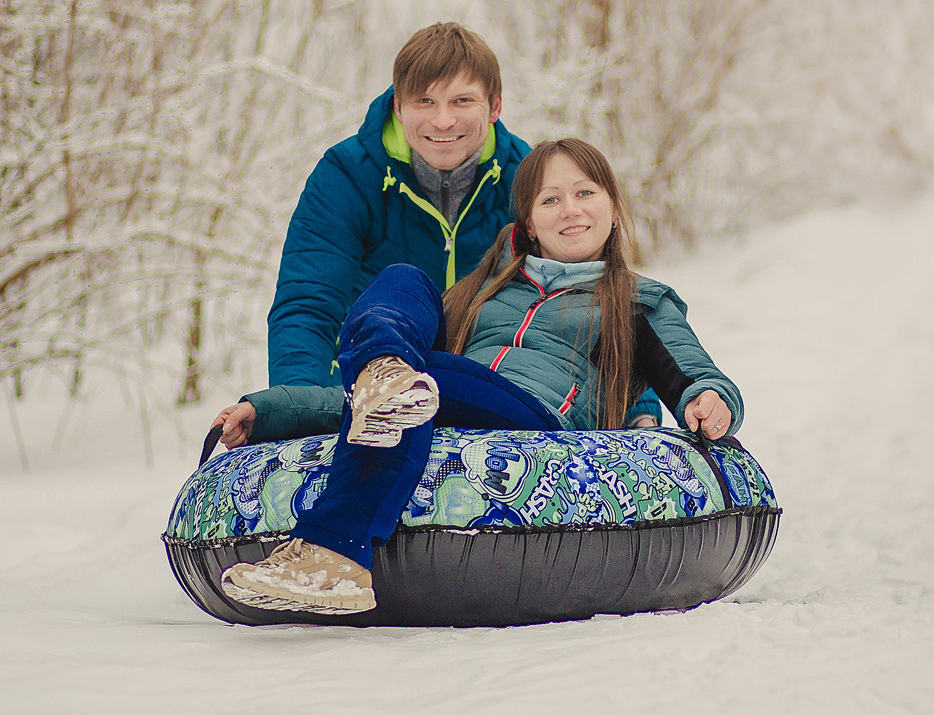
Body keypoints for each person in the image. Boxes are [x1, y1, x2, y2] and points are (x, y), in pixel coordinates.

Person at [214, 138, 742, 615]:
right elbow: (373, 399)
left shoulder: (638, 300)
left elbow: (696, 373)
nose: (571, 210)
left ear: (613, 208)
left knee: (423, 377)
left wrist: (710, 399)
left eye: (586, 192)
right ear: (529, 223)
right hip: (447, 393)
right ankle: (338, 544)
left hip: (537, 418)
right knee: (401, 284)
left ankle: (332, 551)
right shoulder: (484, 292)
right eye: (550, 199)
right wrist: (270, 411)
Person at [267, 21, 530, 388]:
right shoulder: (347, 176)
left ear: (494, 106)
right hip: (368, 387)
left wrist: (640, 406)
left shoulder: (528, 178)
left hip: (488, 385)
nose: (443, 120)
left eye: (462, 100)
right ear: (399, 107)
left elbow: (592, 294)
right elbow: (308, 306)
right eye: (424, 100)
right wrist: (301, 404)